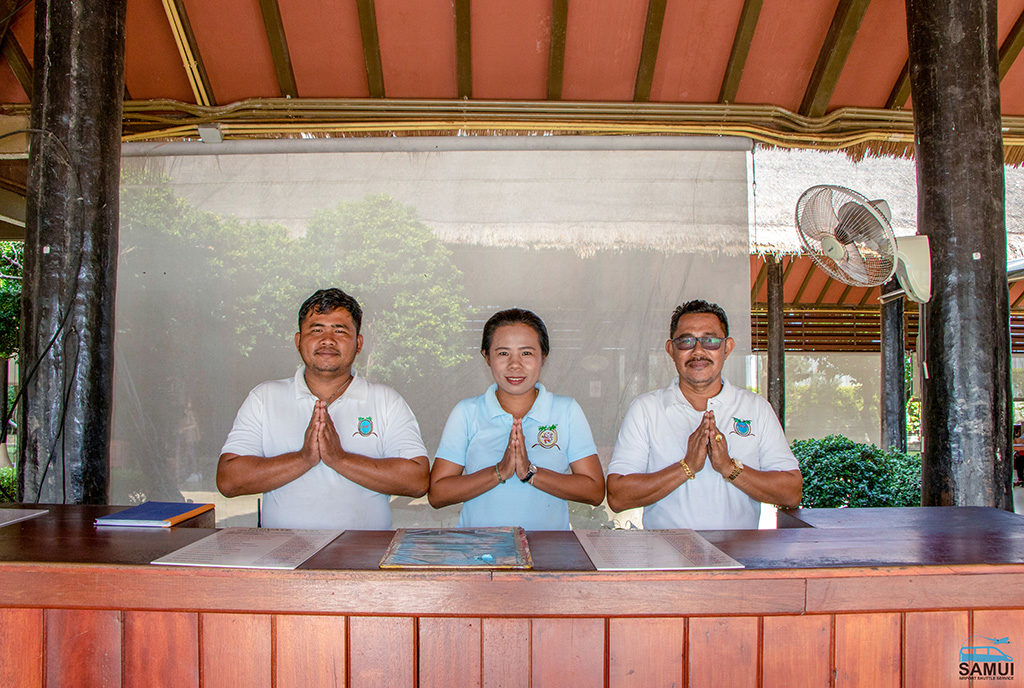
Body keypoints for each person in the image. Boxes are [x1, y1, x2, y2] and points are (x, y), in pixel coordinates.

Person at [217, 288, 429, 529]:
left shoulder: (386, 401)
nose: (328, 340)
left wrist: (340, 458)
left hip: (365, 558)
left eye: (340, 330)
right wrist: (303, 458)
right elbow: (228, 480)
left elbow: (417, 481)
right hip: (282, 559)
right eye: (316, 330)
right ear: (298, 341)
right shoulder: (264, 398)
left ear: (358, 344)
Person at [606, 299, 801, 530]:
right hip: (665, 558)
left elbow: (791, 493)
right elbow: (618, 496)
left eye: (710, 341)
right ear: (671, 349)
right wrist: (687, 466)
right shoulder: (646, 409)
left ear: (727, 348)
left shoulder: (755, 408)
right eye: (686, 341)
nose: (698, 351)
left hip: (741, 557)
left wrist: (729, 468)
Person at [428, 308, 605, 529]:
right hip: (480, 555)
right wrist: (499, 472)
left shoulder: (566, 410)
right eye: (503, 353)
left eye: (526, 353)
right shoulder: (466, 412)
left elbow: (595, 490)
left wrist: (530, 473)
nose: (515, 364)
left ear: (543, 356)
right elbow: (437, 494)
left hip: (546, 557)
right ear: (486, 356)